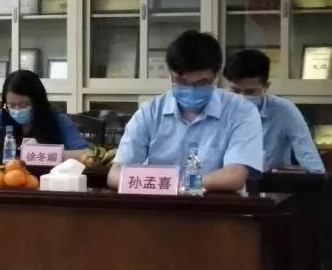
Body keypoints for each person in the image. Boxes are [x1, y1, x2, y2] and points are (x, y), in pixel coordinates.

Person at [108, 31, 263, 192]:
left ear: (216, 77)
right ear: (170, 75)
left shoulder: (241, 112)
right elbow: (115, 174)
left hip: (217, 204)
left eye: (202, 83)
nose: (191, 89)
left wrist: (179, 186)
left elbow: (234, 176)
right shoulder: (150, 113)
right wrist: (165, 187)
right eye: (182, 82)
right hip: (160, 203)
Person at [224, 49, 324, 173]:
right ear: (226, 84)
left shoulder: (284, 110)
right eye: (235, 90)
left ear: (266, 87)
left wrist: (316, 180)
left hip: (270, 183)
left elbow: (312, 163)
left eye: (250, 92)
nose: (241, 98)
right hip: (220, 183)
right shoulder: (214, 110)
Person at [0, 69, 89, 159]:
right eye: (11, 105)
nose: (17, 110)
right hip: (8, 174)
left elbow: (87, 154)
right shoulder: (0, 116)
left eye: (23, 105)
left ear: (37, 102)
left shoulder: (57, 119)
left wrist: (43, 152)